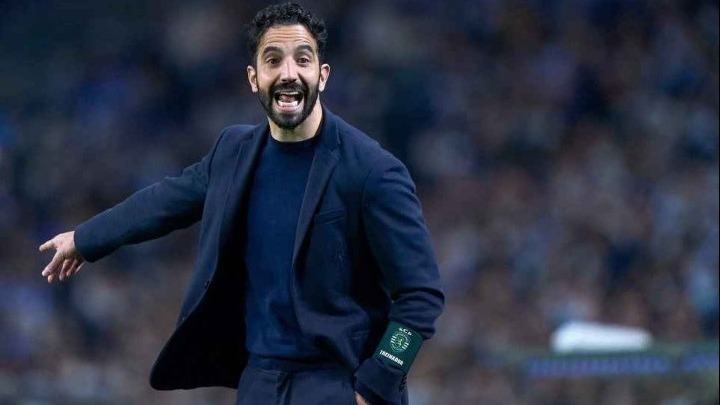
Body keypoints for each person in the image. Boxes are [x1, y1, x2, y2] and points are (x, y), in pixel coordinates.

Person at [38, 3, 443, 404]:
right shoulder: (234, 152)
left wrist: (376, 384)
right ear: (254, 78)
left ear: (322, 75)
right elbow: (165, 202)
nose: (288, 73)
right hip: (259, 383)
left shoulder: (373, 171)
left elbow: (421, 296)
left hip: (336, 381)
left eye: (302, 59)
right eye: (273, 60)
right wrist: (85, 239)